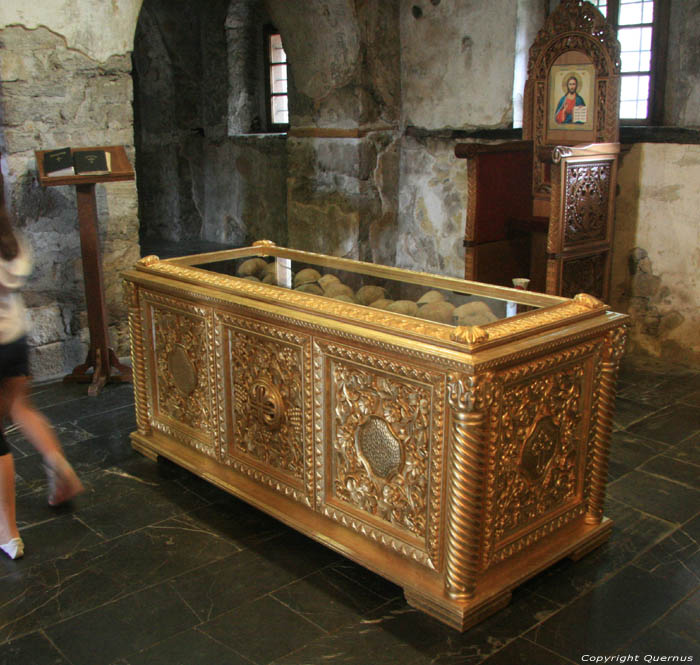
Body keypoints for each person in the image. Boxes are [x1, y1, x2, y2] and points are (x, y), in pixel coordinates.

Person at [0, 165, 84, 560]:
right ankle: (56, 461)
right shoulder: (11, 240)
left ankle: (7, 532)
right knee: (21, 407)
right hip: (14, 338)